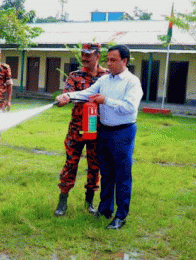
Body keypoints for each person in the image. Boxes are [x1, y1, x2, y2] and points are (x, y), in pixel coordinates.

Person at [55, 44, 143, 229]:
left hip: (123, 132)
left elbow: (130, 107)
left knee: (122, 175)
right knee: (107, 173)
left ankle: (120, 215)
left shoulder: (132, 82)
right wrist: (68, 96)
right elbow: (87, 93)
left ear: (124, 61)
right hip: (104, 132)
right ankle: (104, 209)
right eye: (108, 60)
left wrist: (106, 101)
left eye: (113, 60)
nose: (109, 64)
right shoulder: (105, 81)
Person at [54, 43, 109, 217]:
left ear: (98, 56)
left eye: (89, 55)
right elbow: (68, 93)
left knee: (94, 166)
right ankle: (62, 201)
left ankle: (89, 202)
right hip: (77, 128)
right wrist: (64, 98)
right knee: (70, 164)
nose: (84, 58)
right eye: (83, 54)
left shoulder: (107, 76)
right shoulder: (75, 76)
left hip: (97, 129)